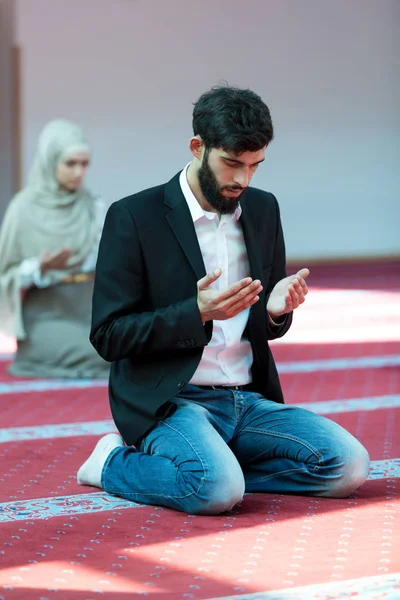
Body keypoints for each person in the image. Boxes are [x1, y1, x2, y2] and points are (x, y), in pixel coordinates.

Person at [78, 86, 370, 514]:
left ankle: (217, 469)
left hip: (247, 399)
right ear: (198, 147)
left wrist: (273, 314)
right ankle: (110, 462)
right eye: (232, 163)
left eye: (255, 166)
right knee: (216, 492)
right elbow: (108, 335)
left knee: (348, 468)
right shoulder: (134, 217)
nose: (242, 180)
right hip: (173, 400)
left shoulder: (263, 210)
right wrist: (194, 313)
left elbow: (260, 324)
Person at [0, 119, 109, 379]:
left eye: (84, 164)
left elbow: (106, 261)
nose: (78, 172)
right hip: (46, 314)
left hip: (89, 308)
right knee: (102, 352)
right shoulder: (23, 209)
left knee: (130, 345)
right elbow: (5, 276)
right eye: (70, 163)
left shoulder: (91, 206)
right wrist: (39, 267)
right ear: (50, 161)